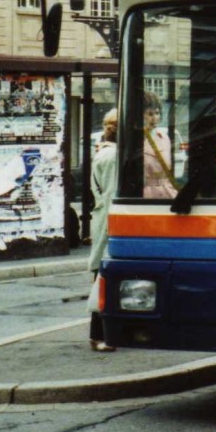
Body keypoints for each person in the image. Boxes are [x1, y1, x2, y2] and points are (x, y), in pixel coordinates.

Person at [88, 109, 118, 352]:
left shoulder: (104, 153)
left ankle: (101, 334)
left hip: (103, 221)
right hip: (109, 225)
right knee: (102, 279)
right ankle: (98, 335)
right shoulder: (113, 158)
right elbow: (110, 197)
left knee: (102, 277)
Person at [142, 91, 178, 199]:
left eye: (157, 113)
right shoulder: (137, 139)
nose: (154, 118)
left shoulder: (164, 137)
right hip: (147, 194)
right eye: (150, 114)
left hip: (167, 192)